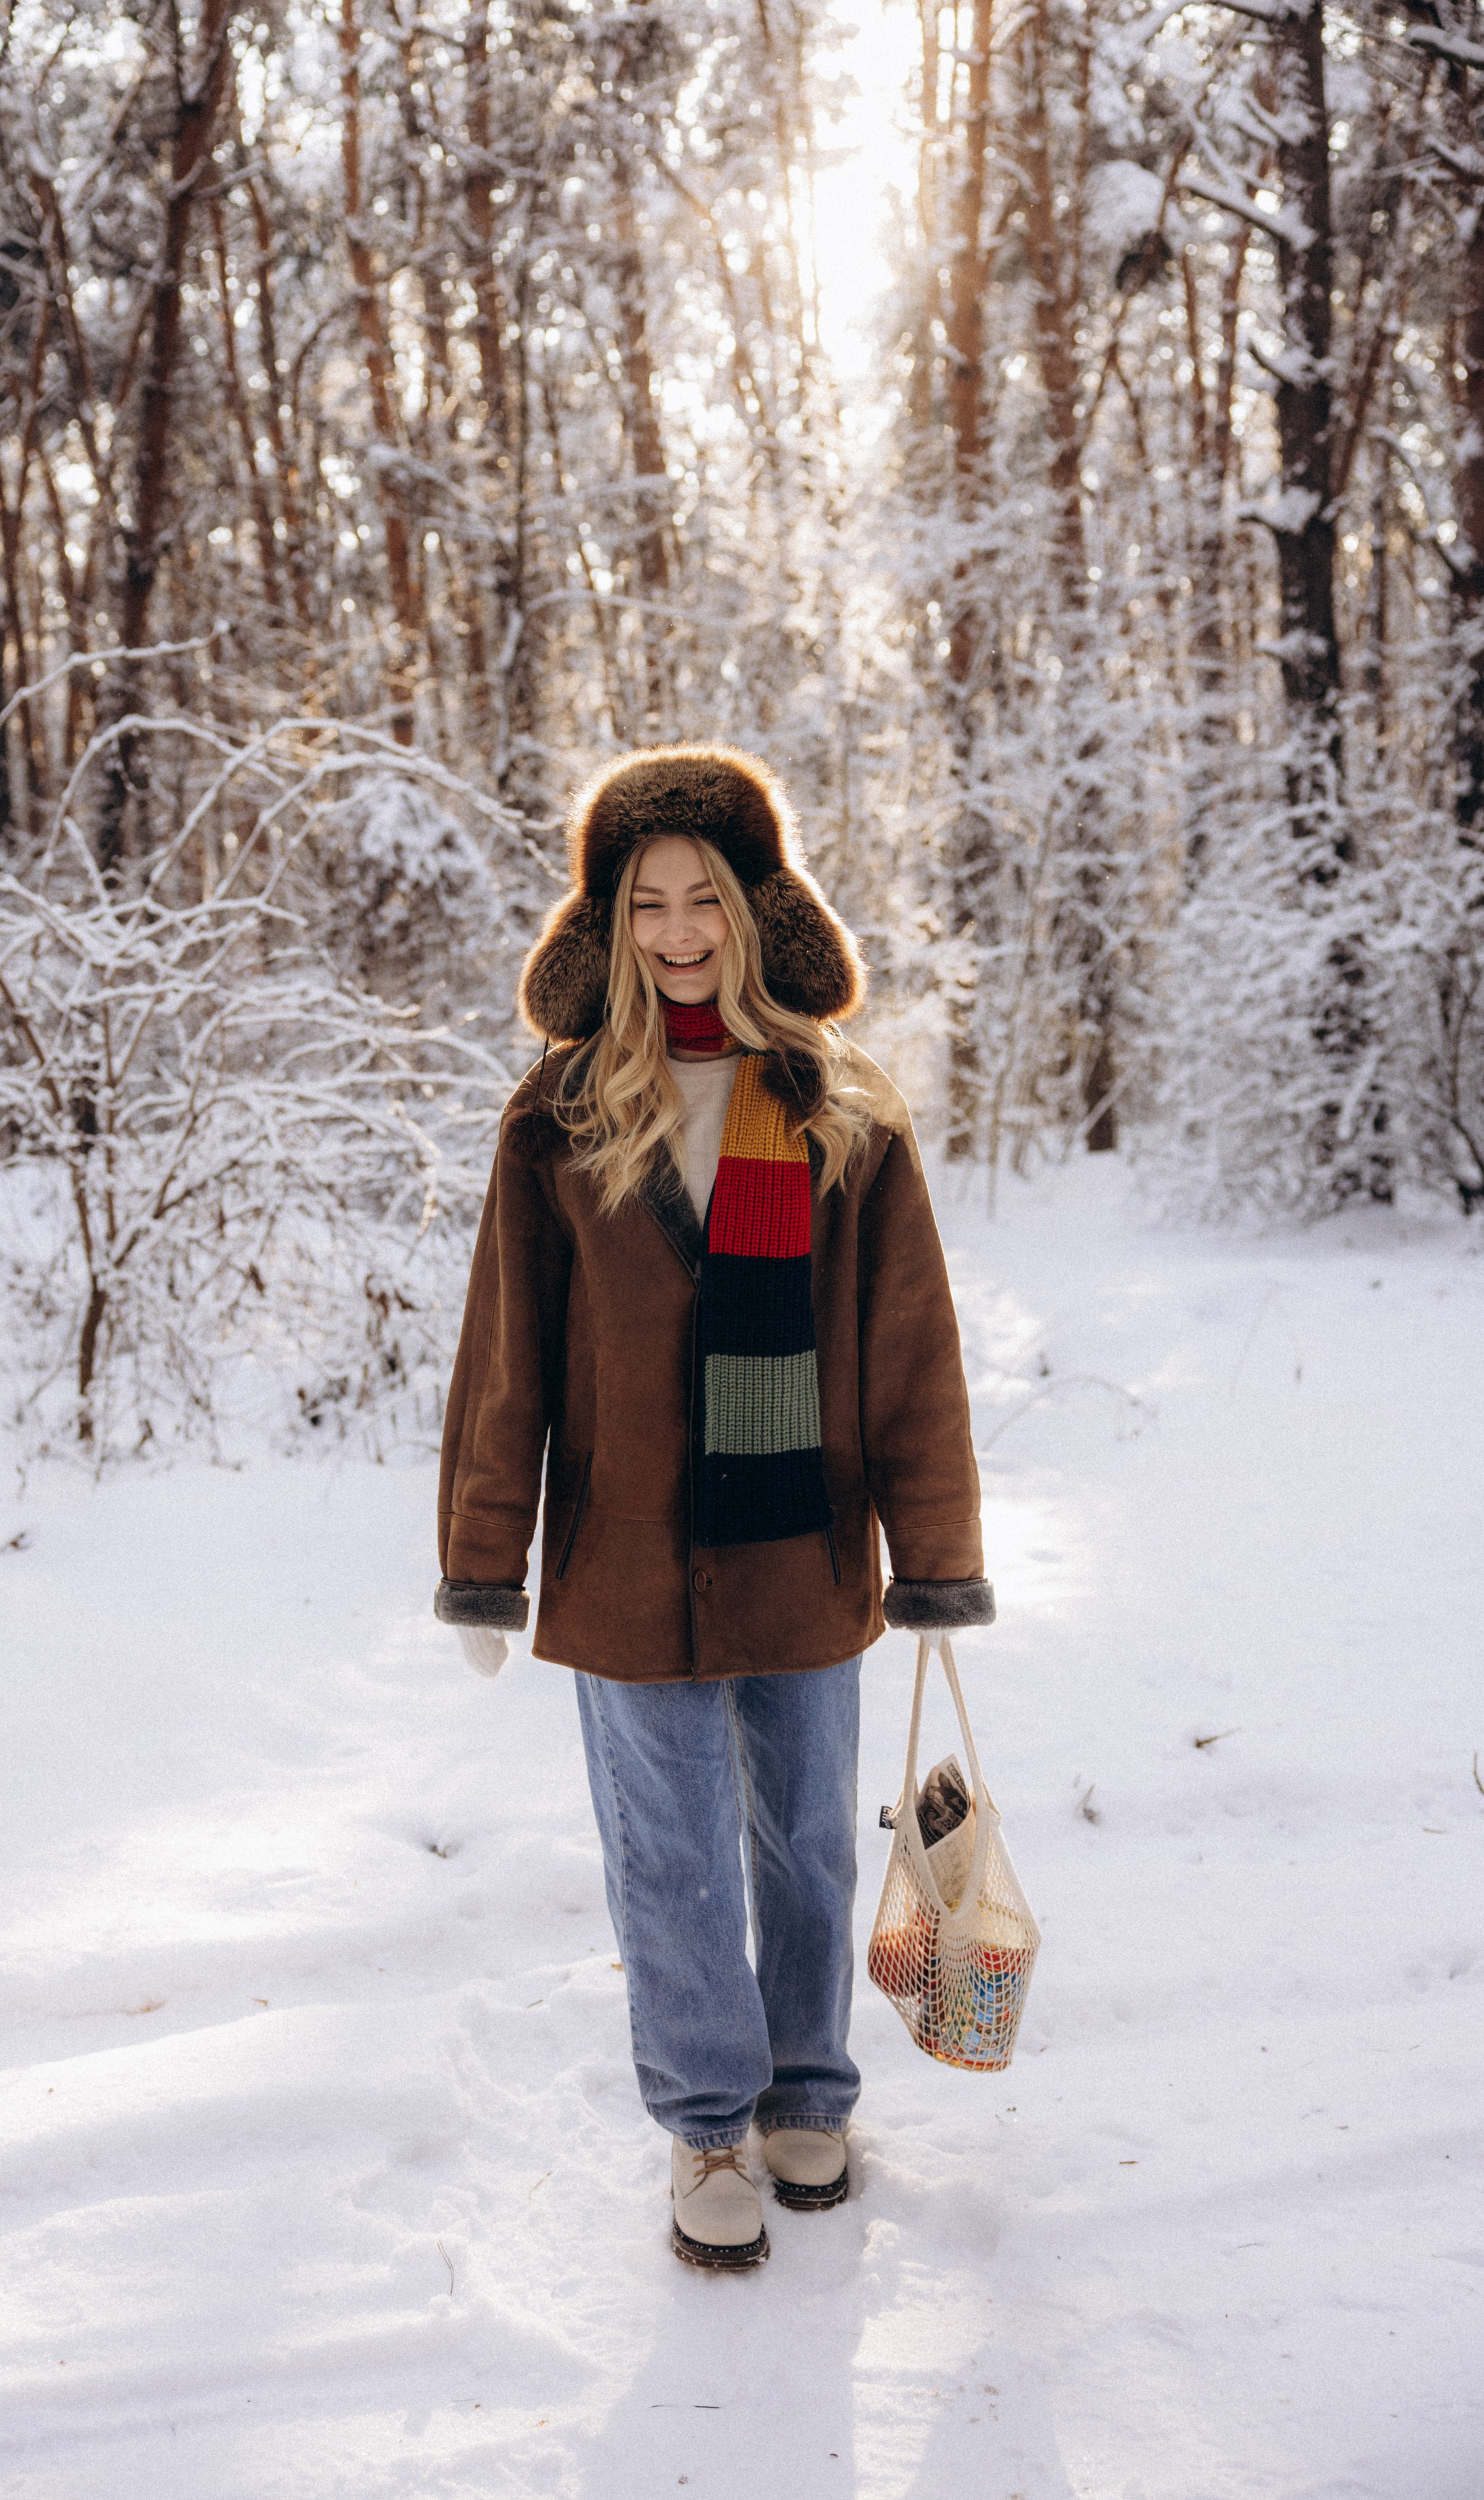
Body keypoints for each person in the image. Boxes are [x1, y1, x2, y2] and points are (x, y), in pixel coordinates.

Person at [434, 746, 992, 2271]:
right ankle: (702, 2120)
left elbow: (906, 1352)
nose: (678, 928)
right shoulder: (554, 1115)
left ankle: (809, 2086)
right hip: (622, 1559)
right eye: (644, 902)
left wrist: (935, 1557)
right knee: (668, 1853)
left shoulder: (834, 1106)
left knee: (807, 1837)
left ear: (755, 911)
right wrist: (484, 1560)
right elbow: (506, 1357)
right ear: (606, 922)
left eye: (705, 898)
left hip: (803, 1545)